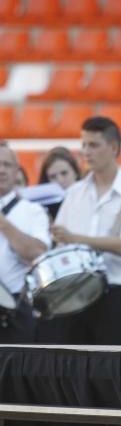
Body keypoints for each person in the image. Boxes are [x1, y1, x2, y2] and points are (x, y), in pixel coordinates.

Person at [46, 117, 121, 345]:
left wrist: (75, 238)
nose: (86, 152)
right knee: (69, 369)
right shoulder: (75, 192)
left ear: (113, 148)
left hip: (114, 297)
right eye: (84, 145)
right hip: (73, 294)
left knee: (110, 372)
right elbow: (61, 244)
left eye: (93, 145)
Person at [0, 143, 50, 344]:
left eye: (7, 165)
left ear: (17, 171)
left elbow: (38, 253)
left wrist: (4, 224)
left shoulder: (32, 210)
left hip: (15, 307)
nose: (1, 170)